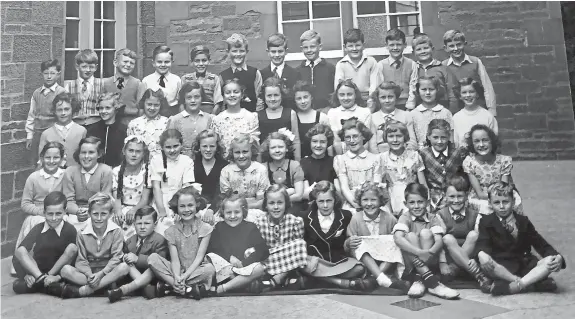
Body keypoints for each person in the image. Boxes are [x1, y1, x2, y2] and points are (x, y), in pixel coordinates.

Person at [477, 182, 566, 295]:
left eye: (505, 202)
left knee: (549, 261)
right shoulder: (486, 222)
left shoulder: (523, 221)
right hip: (502, 267)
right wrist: (481, 253)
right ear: (490, 203)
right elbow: (482, 242)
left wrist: (558, 257)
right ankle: (533, 282)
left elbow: (541, 244)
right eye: (496, 202)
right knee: (487, 262)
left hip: (525, 265)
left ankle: (517, 285)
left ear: (513, 201)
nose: (501, 206)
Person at [49, 193, 130, 298]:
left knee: (124, 267)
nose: (99, 218)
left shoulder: (116, 231)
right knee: (65, 270)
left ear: (110, 214)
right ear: (89, 213)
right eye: (95, 214)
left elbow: (116, 258)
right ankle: (102, 287)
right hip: (89, 276)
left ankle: (84, 291)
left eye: (104, 214)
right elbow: (81, 260)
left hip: (108, 273)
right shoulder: (82, 233)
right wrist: (90, 275)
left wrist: (101, 274)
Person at [392, 183, 459, 299]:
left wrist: (429, 253)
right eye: (412, 203)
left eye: (420, 202)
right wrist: (419, 252)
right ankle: (432, 283)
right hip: (411, 263)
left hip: (430, 259)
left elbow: (439, 241)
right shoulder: (405, 217)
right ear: (405, 204)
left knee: (426, 233)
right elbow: (397, 238)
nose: (416, 206)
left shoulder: (432, 217)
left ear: (427, 203)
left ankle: (421, 279)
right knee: (410, 236)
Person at [147, 186, 216, 300]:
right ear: (176, 208)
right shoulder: (171, 231)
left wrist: (184, 276)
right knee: (153, 258)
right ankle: (186, 289)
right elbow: (175, 260)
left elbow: (199, 257)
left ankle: (169, 287)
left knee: (209, 269)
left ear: (197, 205)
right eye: (182, 206)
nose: (186, 210)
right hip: (177, 271)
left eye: (190, 205)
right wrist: (177, 276)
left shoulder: (205, 228)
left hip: (196, 270)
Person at [345, 182, 409, 292]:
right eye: (365, 200)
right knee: (359, 243)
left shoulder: (390, 218)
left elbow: (395, 242)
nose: (369, 204)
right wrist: (348, 242)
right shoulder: (356, 219)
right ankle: (380, 277)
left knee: (395, 242)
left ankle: (375, 278)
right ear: (360, 201)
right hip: (365, 260)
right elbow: (348, 243)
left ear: (380, 201)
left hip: (384, 259)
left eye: (373, 200)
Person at [12, 191, 78, 295]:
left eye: (58, 213)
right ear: (44, 212)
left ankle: (43, 284)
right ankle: (43, 281)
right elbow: (18, 255)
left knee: (72, 248)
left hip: (56, 274)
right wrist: (25, 275)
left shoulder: (69, 230)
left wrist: (57, 276)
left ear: (65, 212)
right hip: (37, 272)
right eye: (50, 214)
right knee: (20, 250)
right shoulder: (38, 228)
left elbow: (75, 258)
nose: (54, 218)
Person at [437, 174, 492, 292]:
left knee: (474, 235)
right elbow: (438, 243)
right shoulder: (441, 215)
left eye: (460, 196)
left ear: (466, 196)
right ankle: (478, 275)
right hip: (449, 257)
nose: (456, 200)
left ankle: (456, 269)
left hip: (470, 256)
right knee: (447, 238)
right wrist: (442, 263)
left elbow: (480, 241)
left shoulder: (474, 214)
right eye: (452, 196)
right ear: (445, 196)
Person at [206, 194, 268, 295]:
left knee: (259, 268)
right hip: (226, 269)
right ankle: (242, 283)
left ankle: (224, 288)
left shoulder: (250, 227)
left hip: (244, 267)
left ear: (243, 212)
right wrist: (229, 257)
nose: (233, 216)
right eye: (228, 212)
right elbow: (213, 249)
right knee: (211, 257)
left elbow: (263, 251)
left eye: (237, 212)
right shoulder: (219, 227)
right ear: (223, 212)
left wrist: (244, 263)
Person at [107, 206, 169, 302]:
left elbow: (161, 262)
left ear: (155, 224)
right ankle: (146, 288)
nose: (142, 227)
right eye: (139, 223)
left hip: (152, 275)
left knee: (152, 268)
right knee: (126, 264)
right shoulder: (130, 241)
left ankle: (125, 290)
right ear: (134, 224)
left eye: (147, 223)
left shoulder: (159, 240)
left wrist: (137, 259)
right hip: (134, 275)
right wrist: (125, 257)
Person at [15, 142, 67, 255]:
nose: (52, 161)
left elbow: (69, 198)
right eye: (48, 157)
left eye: (56, 157)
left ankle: (58, 261)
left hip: (59, 212)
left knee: (66, 224)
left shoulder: (66, 176)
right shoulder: (33, 177)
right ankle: (28, 261)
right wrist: (42, 212)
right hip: (38, 213)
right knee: (38, 222)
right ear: (42, 158)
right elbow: (25, 204)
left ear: (62, 159)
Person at [253, 185, 308, 290]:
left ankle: (279, 277)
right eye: (271, 203)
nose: (276, 207)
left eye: (280, 203)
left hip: (288, 260)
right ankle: (279, 277)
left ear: (286, 203)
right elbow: (259, 250)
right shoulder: (259, 223)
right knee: (249, 252)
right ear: (265, 205)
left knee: (301, 244)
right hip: (269, 260)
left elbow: (296, 250)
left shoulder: (295, 221)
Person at [463, 124, 523, 215]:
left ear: (492, 141)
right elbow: (480, 194)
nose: (481, 145)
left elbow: (504, 188)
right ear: (472, 143)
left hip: (501, 194)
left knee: (512, 202)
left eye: (485, 140)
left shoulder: (503, 161)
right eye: (476, 141)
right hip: (481, 197)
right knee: (486, 207)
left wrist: (498, 201)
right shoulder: (469, 162)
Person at [150, 129, 195, 235]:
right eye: (168, 147)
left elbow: (186, 188)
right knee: (161, 229)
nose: (172, 150)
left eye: (175, 146)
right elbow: (156, 187)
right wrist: (161, 210)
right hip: (160, 200)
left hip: (180, 201)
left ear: (181, 145)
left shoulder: (187, 161)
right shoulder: (156, 160)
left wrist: (179, 209)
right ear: (162, 147)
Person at [63, 137, 113, 230]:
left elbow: (105, 198)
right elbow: (68, 200)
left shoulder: (106, 171)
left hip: (98, 212)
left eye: (91, 152)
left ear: (99, 154)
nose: (86, 156)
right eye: (83, 152)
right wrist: (78, 211)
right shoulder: (70, 172)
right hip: (76, 212)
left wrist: (90, 212)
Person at [442, 30, 496, 116]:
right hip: (455, 112)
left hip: (477, 109)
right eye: (451, 46)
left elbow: (487, 87)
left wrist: (491, 110)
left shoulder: (475, 62)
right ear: (446, 48)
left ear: (464, 43)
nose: (456, 49)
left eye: (459, 44)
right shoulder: (443, 66)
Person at [333, 118, 382, 210]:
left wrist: (368, 204)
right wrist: (357, 205)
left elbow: (377, 186)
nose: (352, 140)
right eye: (348, 137)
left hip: (372, 202)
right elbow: (344, 188)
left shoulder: (375, 159)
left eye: (355, 136)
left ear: (363, 136)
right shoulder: (340, 160)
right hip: (351, 203)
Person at [380, 120, 427, 216]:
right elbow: (382, 187)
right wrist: (388, 209)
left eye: (399, 136)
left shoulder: (414, 156)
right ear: (386, 138)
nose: (395, 140)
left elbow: (423, 184)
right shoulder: (382, 158)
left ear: (405, 137)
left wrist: (426, 203)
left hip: (412, 198)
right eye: (391, 136)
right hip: (391, 199)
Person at [419, 119, 468, 211]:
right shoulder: (423, 154)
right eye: (435, 137)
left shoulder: (456, 153)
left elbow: (462, 175)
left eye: (443, 137)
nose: (440, 141)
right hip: (433, 196)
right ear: (428, 136)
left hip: (454, 196)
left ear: (449, 136)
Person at [25, 59, 67, 163]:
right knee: (37, 162)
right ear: (42, 74)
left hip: (54, 133)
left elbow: (64, 116)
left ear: (58, 74)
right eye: (46, 73)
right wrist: (30, 136)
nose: (49, 76)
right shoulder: (36, 93)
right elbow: (32, 115)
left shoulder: (61, 92)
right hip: (38, 133)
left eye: (52, 73)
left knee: (54, 161)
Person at [406, 33, 458, 113]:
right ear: (413, 52)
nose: (423, 51)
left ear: (432, 49)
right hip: (419, 110)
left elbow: (452, 93)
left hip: (441, 109)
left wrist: (452, 112)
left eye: (426, 48)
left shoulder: (443, 68)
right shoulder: (413, 69)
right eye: (419, 49)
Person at [112, 136, 152, 239]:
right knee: (114, 225)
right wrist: (118, 211)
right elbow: (117, 198)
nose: (134, 155)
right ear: (124, 151)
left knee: (139, 226)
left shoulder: (147, 171)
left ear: (143, 154)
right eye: (131, 150)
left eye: (138, 152)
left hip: (140, 209)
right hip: (121, 208)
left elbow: (145, 199)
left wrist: (134, 210)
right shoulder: (117, 171)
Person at [220, 134, 270, 210]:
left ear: (252, 151)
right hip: (233, 209)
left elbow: (262, 199)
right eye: (237, 152)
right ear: (232, 153)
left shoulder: (261, 170)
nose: (241, 156)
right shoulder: (226, 172)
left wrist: (249, 207)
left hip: (257, 208)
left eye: (245, 152)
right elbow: (226, 198)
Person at [212, 79, 260, 158]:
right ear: (223, 96)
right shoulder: (217, 119)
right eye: (228, 93)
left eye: (236, 92)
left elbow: (255, 144)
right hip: (225, 163)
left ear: (242, 95)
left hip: (246, 161)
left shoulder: (251, 117)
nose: (232, 95)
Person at [258, 77, 301, 160]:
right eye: (269, 96)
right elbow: (258, 145)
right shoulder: (258, 116)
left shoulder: (290, 113)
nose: (273, 99)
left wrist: (297, 162)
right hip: (266, 162)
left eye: (276, 95)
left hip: (287, 160)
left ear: (282, 95)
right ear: (264, 96)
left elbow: (296, 141)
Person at [38, 92, 87, 168]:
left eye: (66, 109)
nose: (63, 113)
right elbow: (41, 162)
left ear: (72, 110)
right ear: (54, 111)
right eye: (59, 110)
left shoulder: (81, 131)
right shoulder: (46, 134)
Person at [167, 81, 214, 158]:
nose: (193, 101)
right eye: (189, 97)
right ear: (184, 99)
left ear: (202, 98)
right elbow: (169, 144)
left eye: (196, 97)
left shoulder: (210, 119)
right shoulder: (175, 120)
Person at [219, 33, 263, 112]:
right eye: (234, 51)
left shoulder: (254, 73)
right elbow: (221, 102)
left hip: (251, 116)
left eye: (242, 51)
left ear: (247, 51)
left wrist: (256, 115)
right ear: (228, 52)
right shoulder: (223, 76)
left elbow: (260, 98)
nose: (238, 54)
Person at [367, 81, 416, 153]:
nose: (387, 101)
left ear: (396, 97)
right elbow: (372, 146)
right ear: (378, 99)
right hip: (380, 158)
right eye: (383, 97)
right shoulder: (372, 118)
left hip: (403, 155)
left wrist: (404, 157)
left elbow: (412, 142)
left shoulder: (406, 115)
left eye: (390, 97)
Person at [261, 131, 305, 211]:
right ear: (268, 150)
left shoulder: (294, 165)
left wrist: (275, 200)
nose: (277, 150)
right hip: (271, 210)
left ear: (287, 148)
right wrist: (289, 191)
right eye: (273, 148)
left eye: (280, 147)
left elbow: (299, 196)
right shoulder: (263, 168)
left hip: (292, 208)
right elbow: (264, 197)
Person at [376, 29, 417, 111]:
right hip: (387, 105)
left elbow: (413, 87)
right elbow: (379, 89)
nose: (395, 48)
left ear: (405, 45)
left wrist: (409, 107)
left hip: (406, 105)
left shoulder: (412, 64)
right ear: (386, 46)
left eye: (398, 44)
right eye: (391, 45)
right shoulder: (380, 65)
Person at [102, 48, 146, 125]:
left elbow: (141, 109)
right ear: (115, 63)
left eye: (132, 63)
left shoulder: (138, 84)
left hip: (130, 125)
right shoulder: (105, 83)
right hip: (109, 125)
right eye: (125, 62)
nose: (128, 65)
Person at [334, 28, 379, 103]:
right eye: (350, 46)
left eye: (357, 45)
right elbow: (338, 88)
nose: (354, 49)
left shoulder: (371, 62)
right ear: (345, 47)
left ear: (363, 45)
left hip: (369, 100)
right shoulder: (341, 65)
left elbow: (374, 86)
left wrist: (370, 100)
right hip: (349, 101)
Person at [327, 79, 372, 152]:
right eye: (342, 95)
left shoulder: (365, 112)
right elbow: (335, 139)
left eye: (349, 94)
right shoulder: (332, 113)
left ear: (355, 95)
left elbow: (366, 139)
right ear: (337, 96)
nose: (346, 98)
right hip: (339, 152)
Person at [410, 75, 454, 149]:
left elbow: (451, 138)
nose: (427, 92)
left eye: (431, 89)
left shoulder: (446, 113)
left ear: (437, 90)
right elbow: (412, 140)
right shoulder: (413, 114)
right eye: (424, 89)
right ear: (418, 91)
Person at [296, 30, 336, 112]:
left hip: (326, 110)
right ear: (301, 49)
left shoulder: (330, 68)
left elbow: (334, 91)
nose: (309, 50)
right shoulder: (297, 71)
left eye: (312, 47)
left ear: (320, 47)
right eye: (305, 47)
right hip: (305, 112)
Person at [453, 78, 498, 148]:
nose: (468, 95)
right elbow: (455, 144)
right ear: (460, 96)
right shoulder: (456, 118)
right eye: (464, 92)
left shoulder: (488, 116)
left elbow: (494, 142)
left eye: (471, 92)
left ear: (477, 94)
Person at [64, 49, 105, 126]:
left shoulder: (102, 84)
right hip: (76, 124)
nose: (88, 70)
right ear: (77, 67)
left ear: (96, 67)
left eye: (91, 67)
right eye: (84, 67)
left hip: (97, 124)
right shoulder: (69, 86)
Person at [260, 33, 301, 111]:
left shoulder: (294, 73)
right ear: (268, 52)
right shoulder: (262, 74)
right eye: (273, 52)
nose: (277, 55)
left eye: (280, 51)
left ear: (286, 51)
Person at [86, 92, 127, 167]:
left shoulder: (124, 130)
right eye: (101, 108)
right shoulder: (92, 130)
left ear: (115, 108)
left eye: (108, 108)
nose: (103, 111)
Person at [127, 89, 170, 158]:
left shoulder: (167, 122)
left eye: (156, 105)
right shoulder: (134, 124)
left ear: (161, 105)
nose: (152, 108)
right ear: (143, 103)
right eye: (149, 104)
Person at [300, 124, 339, 201]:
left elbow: (337, 191)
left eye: (322, 142)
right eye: (314, 141)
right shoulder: (303, 163)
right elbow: (305, 194)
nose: (318, 145)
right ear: (310, 142)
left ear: (328, 143)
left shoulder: (333, 162)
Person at [181, 45, 223, 114]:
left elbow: (218, 103)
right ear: (192, 62)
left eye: (204, 60)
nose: (201, 64)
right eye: (197, 61)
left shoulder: (214, 79)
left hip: (209, 114)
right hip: (190, 115)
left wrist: (211, 117)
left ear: (209, 61)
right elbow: (181, 102)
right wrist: (185, 117)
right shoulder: (185, 79)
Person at [142, 45, 182, 116]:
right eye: (159, 62)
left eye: (167, 62)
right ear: (153, 63)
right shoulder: (146, 81)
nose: (163, 65)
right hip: (152, 115)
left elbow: (180, 102)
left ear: (172, 62)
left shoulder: (177, 80)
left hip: (172, 115)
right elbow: (142, 104)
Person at [293, 81, 329, 158]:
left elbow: (329, 143)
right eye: (299, 98)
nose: (303, 101)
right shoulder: (293, 117)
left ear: (311, 97)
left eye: (305, 97)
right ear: (295, 100)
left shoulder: (322, 117)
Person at [192, 129, 228, 208]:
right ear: (199, 147)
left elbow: (223, 194)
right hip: (196, 207)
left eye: (212, 146)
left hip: (218, 207)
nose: (208, 150)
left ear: (217, 147)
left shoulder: (225, 166)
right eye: (204, 146)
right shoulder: (191, 165)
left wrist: (211, 209)